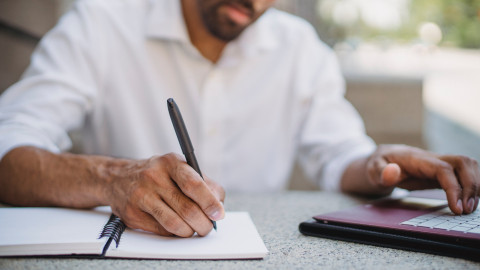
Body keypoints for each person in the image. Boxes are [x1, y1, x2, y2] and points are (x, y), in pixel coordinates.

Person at [0, 0, 478, 238]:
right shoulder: (100, 22)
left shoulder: (299, 48)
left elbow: (339, 155)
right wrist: (112, 178)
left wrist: (379, 164)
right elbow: (8, 146)